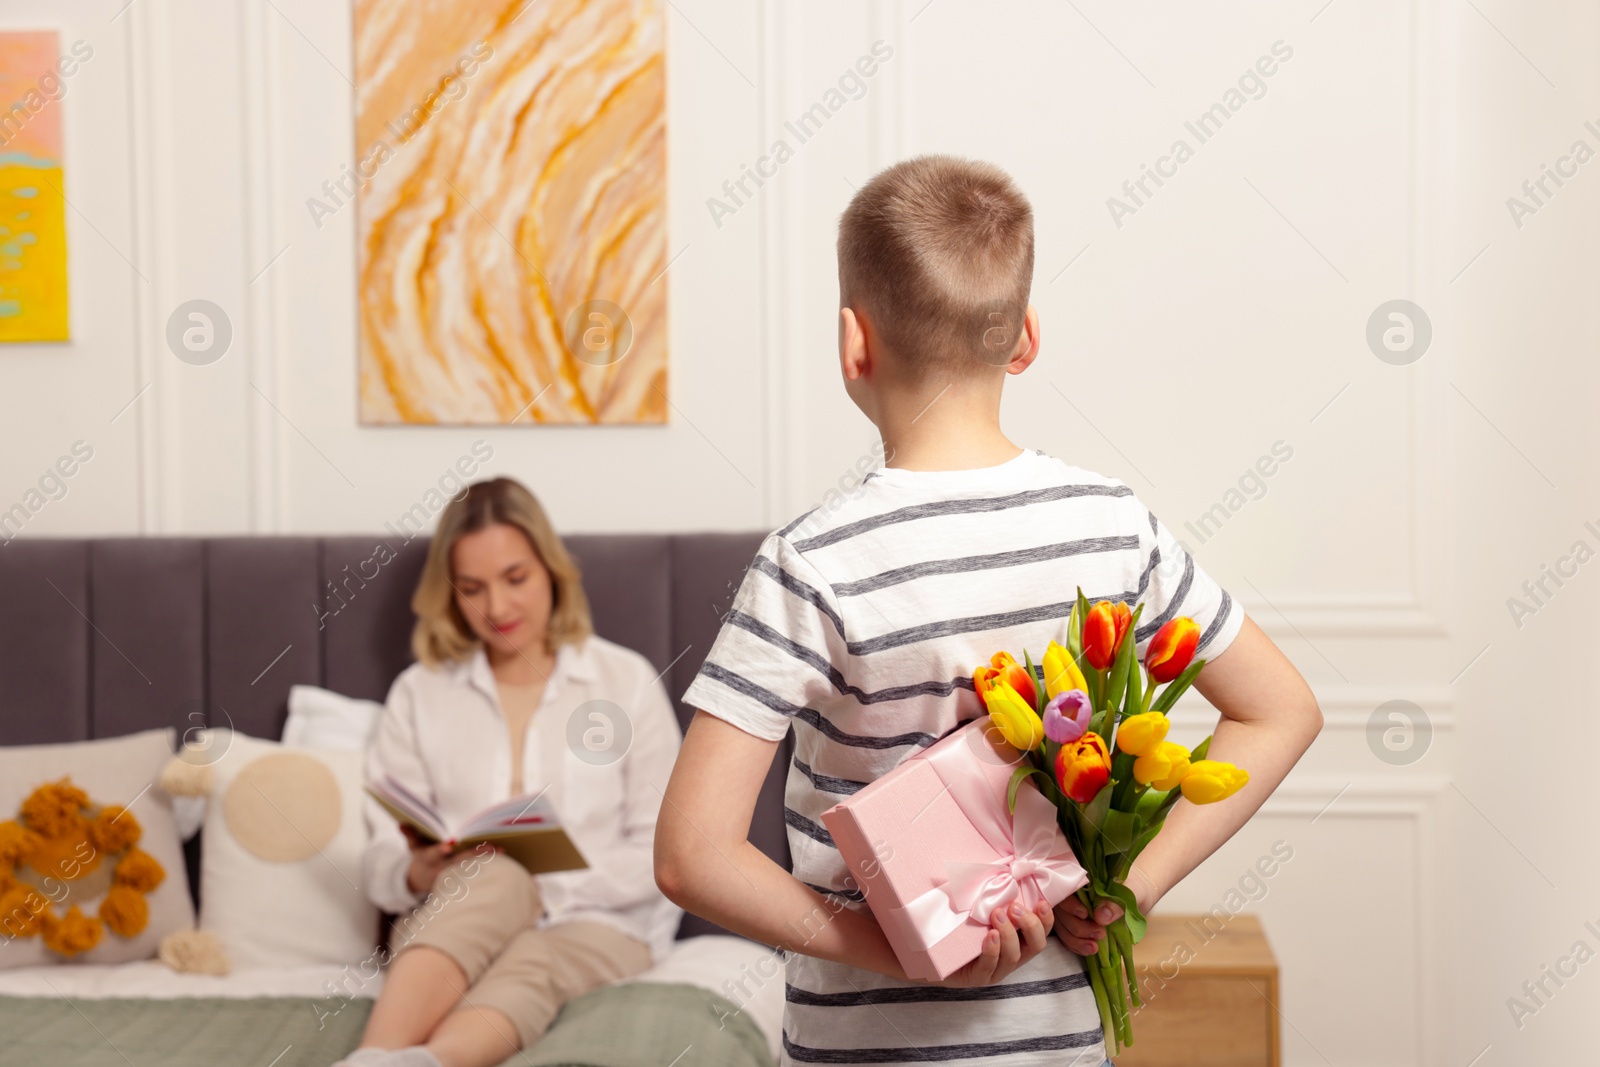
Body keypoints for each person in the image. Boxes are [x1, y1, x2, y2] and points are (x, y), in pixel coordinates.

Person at [653, 156, 1323, 1066]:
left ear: (854, 342)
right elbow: (1284, 709)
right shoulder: (1112, 525)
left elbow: (691, 856)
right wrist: (1128, 888)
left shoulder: (810, 563)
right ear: (1025, 337)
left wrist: (893, 945)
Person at [340, 477, 683, 1067]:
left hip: (599, 925)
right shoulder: (420, 693)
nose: (496, 608)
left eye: (515, 579)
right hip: (455, 921)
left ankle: (393, 1061)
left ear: (551, 569)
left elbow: (662, 854)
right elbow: (379, 862)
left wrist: (537, 888)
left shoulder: (624, 682)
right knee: (492, 883)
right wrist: (417, 870)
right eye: (471, 589)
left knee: (531, 952)